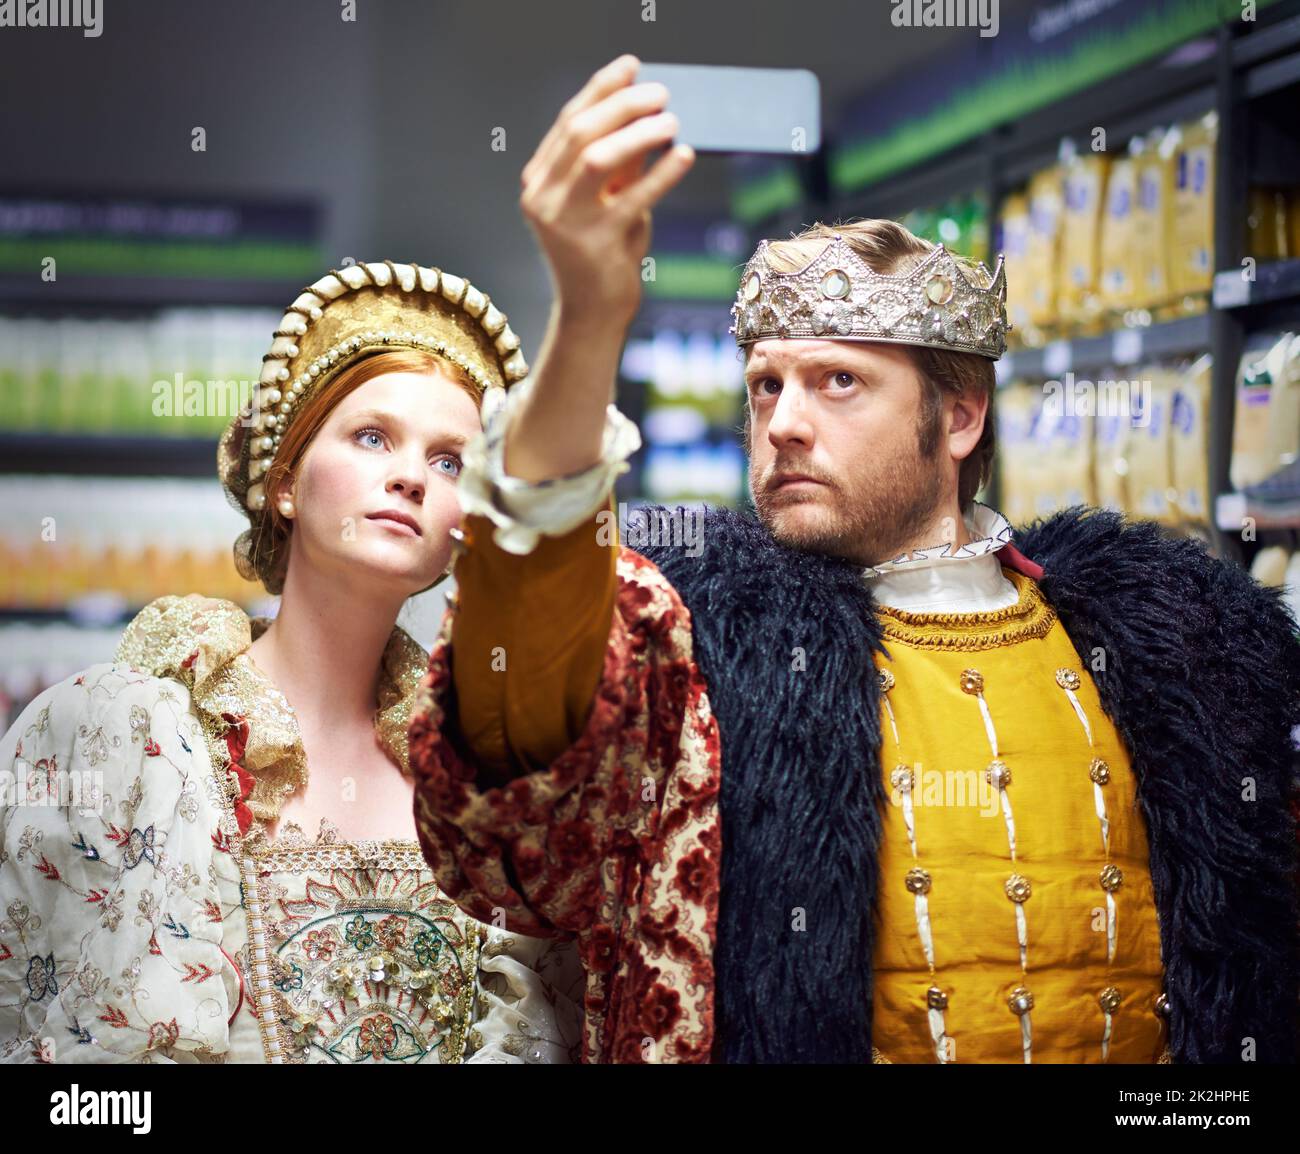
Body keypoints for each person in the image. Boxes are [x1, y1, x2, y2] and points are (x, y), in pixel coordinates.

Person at [406, 55, 1300, 1064]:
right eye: (763, 386)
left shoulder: (1175, 646)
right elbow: (513, 777)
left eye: (836, 381)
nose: (781, 422)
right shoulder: (696, 642)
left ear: (958, 416)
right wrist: (587, 319)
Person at [0, 260, 582, 1063]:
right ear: (283, 479)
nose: (411, 476)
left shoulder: (490, 782)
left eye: (451, 461)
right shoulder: (130, 736)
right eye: (372, 436)